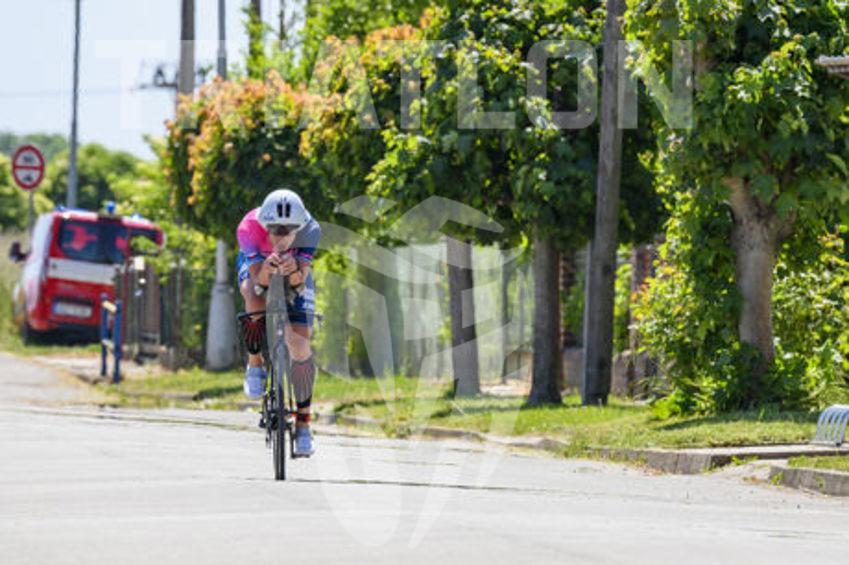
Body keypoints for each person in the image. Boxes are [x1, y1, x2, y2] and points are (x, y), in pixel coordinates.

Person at [236, 188, 320, 457]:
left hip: (296, 271)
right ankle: (255, 363)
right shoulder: (249, 228)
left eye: (289, 230)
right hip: (258, 266)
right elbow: (257, 284)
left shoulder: (311, 230)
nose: (281, 236)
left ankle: (304, 425)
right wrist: (267, 270)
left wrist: (293, 270)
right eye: (274, 230)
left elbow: (298, 284)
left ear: (300, 228)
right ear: (264, 225)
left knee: (300, 346)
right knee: (252, 298)